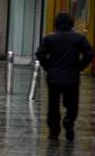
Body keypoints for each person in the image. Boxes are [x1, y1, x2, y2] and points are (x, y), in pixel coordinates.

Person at [36, 13, 93, 142]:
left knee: (53, 105)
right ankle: (69, 120)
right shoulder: (79, 38)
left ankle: (54, 131)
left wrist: (48, 66)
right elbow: (89, 53)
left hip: (54, 77)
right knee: (72, 103)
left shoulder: (50, 38)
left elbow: (40, 53)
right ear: (71, 24)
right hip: (71, 77)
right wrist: (80, 66)